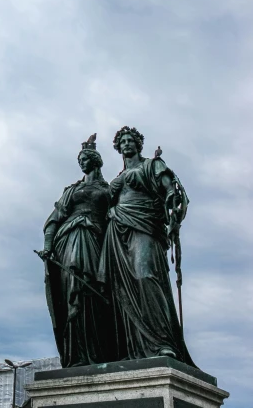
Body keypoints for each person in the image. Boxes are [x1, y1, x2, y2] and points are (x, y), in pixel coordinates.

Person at [98, 125, 195, 364]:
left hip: (144, 224)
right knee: (121, 289)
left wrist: (173, 211)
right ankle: (133, 348)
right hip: (117, 229)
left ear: (138, 144)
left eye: (131, 140)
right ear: (118, 148)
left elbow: (171, 189)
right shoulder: (117, 178)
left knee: (145, 276)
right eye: (122, 142)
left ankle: (162, 342)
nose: (126, 144)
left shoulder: (152, 164)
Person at [42, 134, 113, 367]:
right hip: (71, 238)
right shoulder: (72, 190)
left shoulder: (110, 189)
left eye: (85, 158)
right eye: (79, 159)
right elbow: (55, 218)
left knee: (92, 293)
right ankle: (76, 354)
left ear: (96, 160)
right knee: (74, 289)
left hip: (98, 240)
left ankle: (99, 351)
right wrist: (48, 247)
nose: (82, 163)